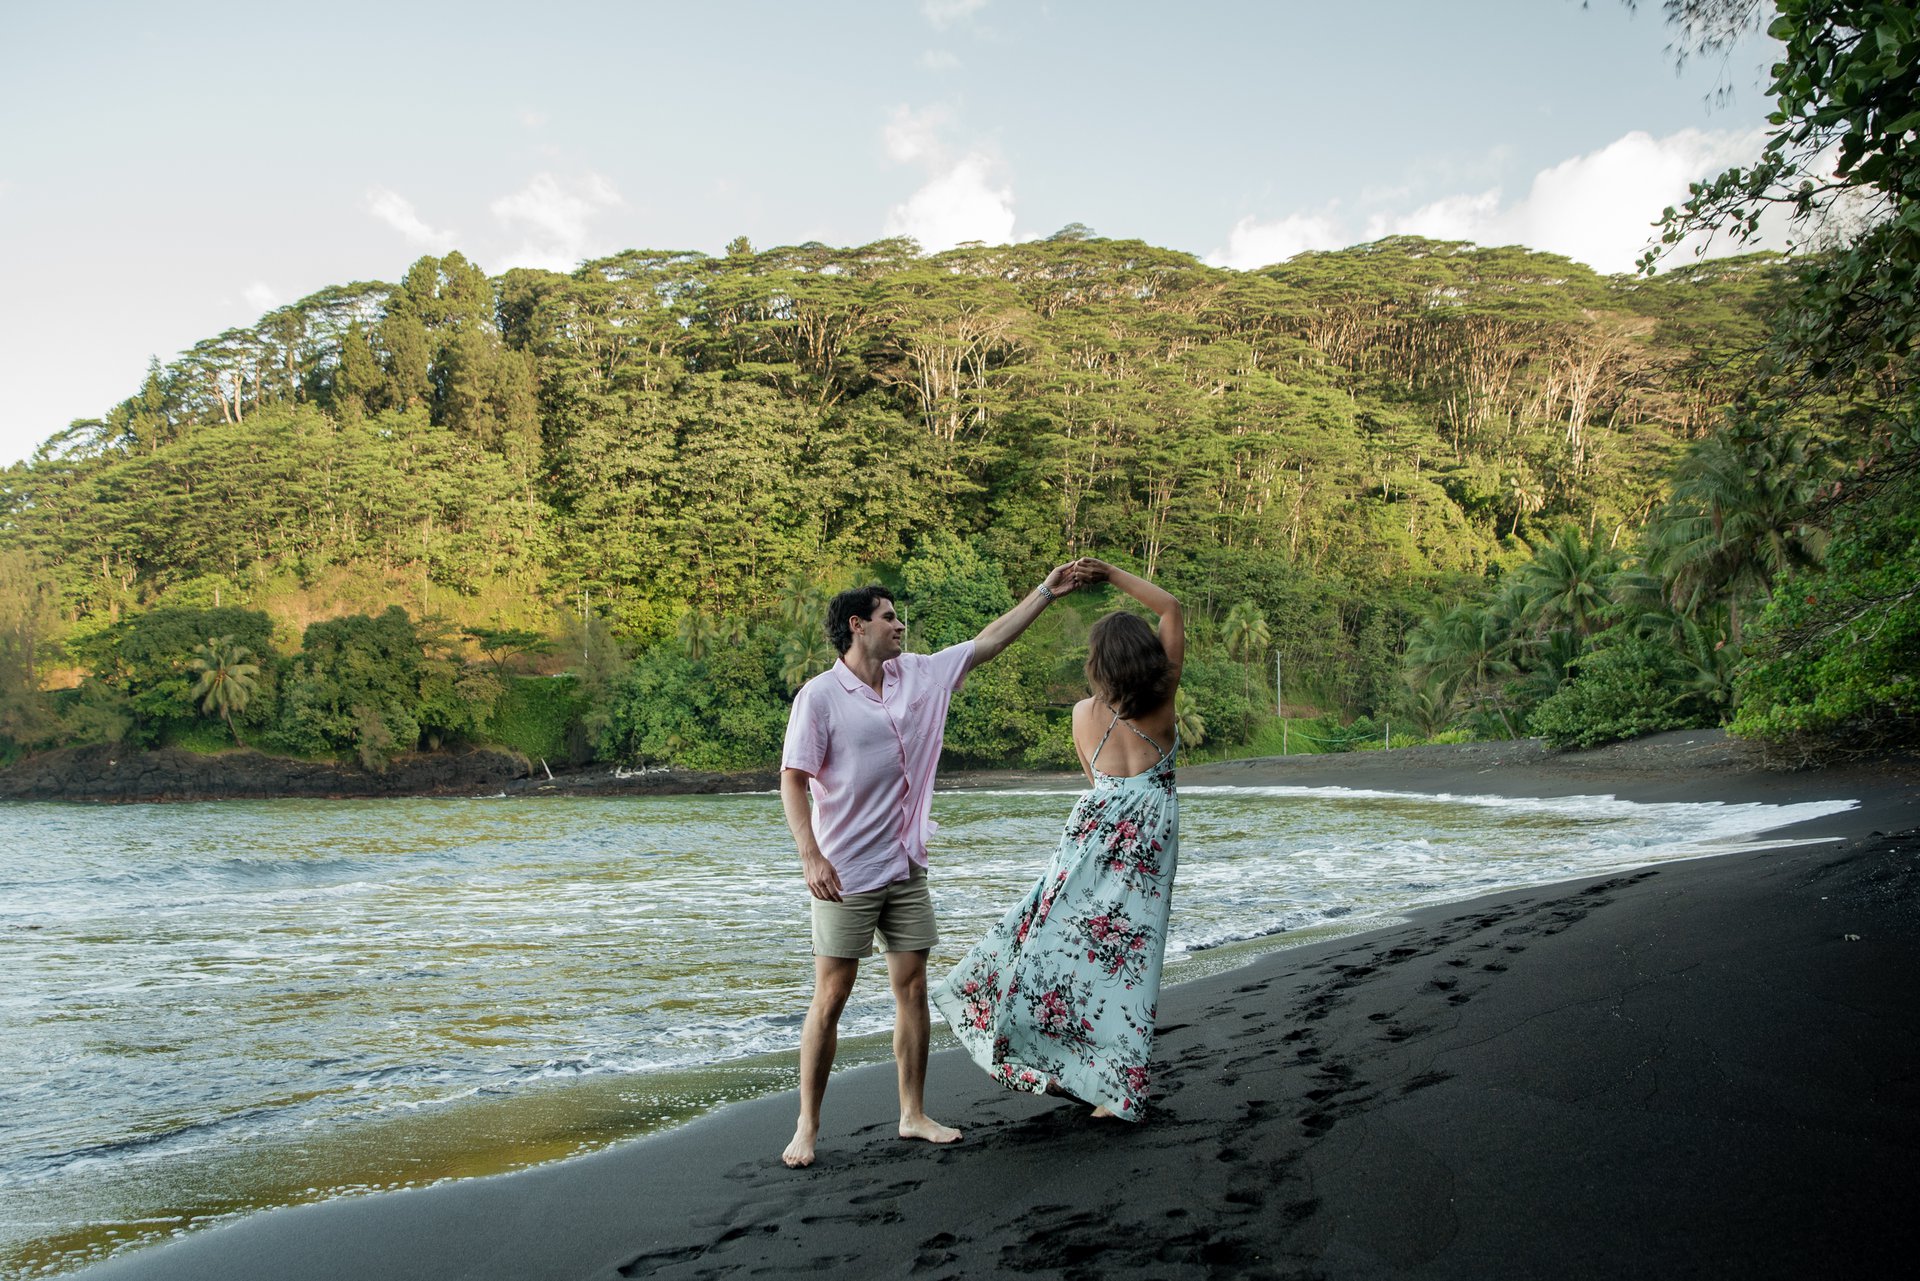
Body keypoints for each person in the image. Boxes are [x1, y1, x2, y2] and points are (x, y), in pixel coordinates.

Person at [778, 566, 1081, 1167]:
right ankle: (807, 1127)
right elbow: (793, 777)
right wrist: (809, 854)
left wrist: (1044, 591)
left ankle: (912, 1113)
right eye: (888, 617)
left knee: (911, 985)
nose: (900, 625)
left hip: (906, 863)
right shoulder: (819, 697)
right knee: (831, 995)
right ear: (858, 627)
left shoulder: (918, 674)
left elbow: (990, 640)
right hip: (844, 871)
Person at [930, 557, 1183, 1120]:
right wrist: (1112, 573)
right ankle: (1113, 1087)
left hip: (1090, 830)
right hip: (1146, 840)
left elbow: (1098, 784)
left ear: (1097, 666)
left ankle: (1058, 1055)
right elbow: (1169, 606)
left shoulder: (1080, 716)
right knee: (1129, 959)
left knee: (1054, 935)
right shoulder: (1163, 705)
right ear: (1145, 656)